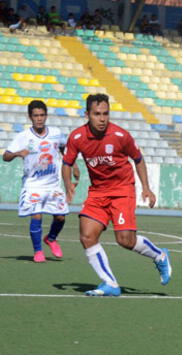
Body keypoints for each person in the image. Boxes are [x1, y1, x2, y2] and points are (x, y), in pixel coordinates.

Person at [61, 94, 172, 297]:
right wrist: (68, 185)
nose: (102, 119)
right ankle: (110, 283)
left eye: (105, 114)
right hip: (97, 192)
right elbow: (66, 163)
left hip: (122, 190)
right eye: (97, 114)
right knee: (87, 236)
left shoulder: (121, 136)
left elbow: (138, 159)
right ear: (87, 114)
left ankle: (160, 255)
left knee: (125, 240)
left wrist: (146, 187)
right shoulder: (77, 137)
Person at [3, 100, 76, 262]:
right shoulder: (23, 137)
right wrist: (17, 154)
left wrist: (74, 164)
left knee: (61, 217)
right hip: (32, 185)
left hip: (52, 184)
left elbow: (65, 148)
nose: (39, 119)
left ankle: (50, 238)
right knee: (36, 216)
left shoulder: (56, 133)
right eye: (36, 116)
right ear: (30, 117)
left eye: (42, 115)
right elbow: (5, 156)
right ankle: (38, 252)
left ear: (46, 116)